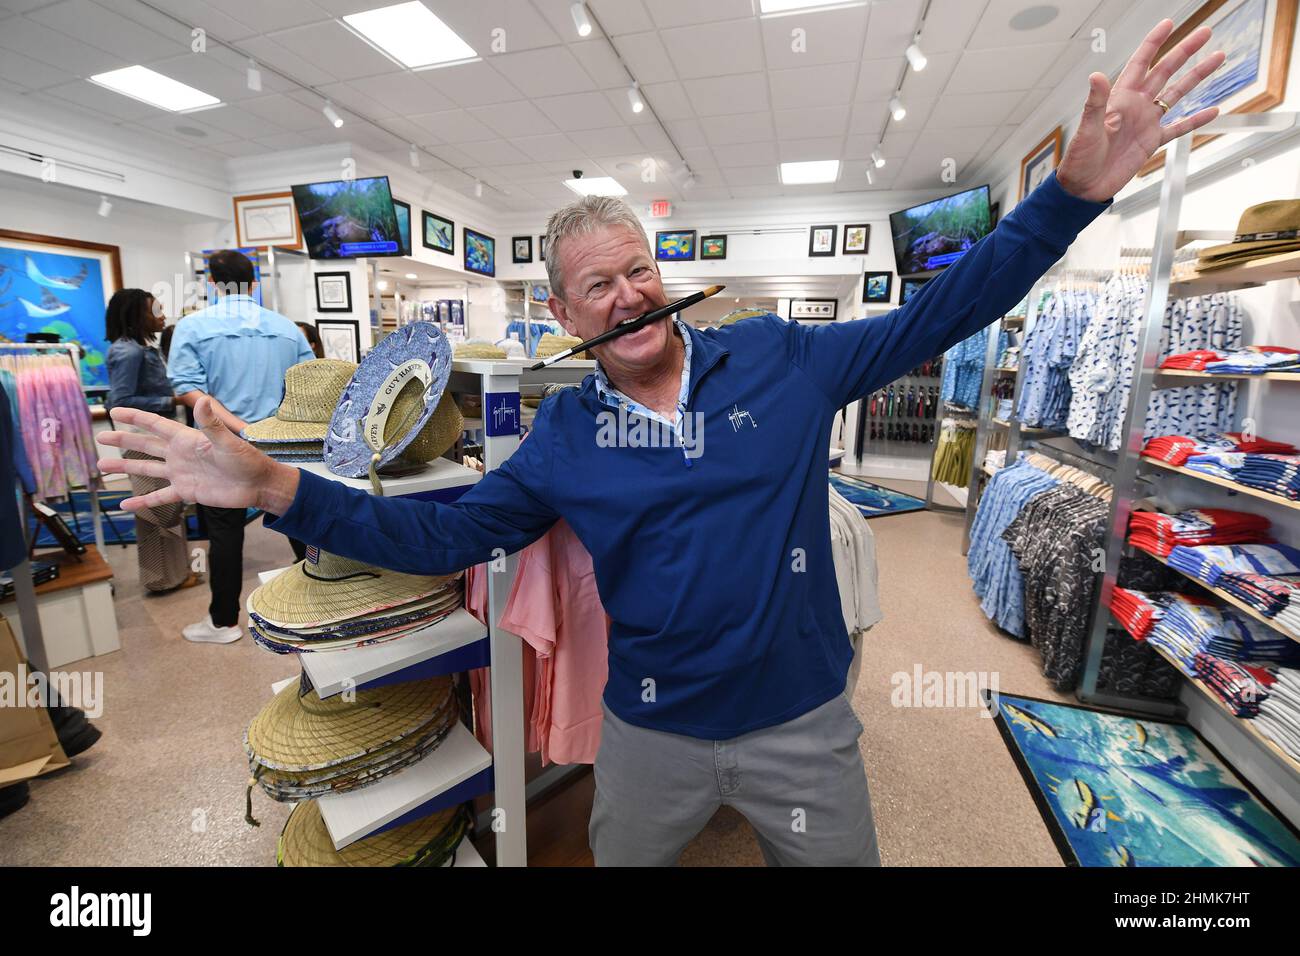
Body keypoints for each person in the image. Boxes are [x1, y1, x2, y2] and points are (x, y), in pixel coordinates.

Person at [100, 23, 1225, 863]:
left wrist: (1070, 197)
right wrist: (274, 485)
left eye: (640, 269)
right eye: (600, 286)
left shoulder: (783, 358)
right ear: (570, 316)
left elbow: (947, 307)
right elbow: (434, 528)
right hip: (647, 735)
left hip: (802, 726)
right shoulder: (560, 442)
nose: (630, 295)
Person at [164, 251, 315, 644]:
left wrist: (241, 428)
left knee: (225, 532)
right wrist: (267, 428)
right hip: (283, 444)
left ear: (212, 283)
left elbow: (187, 389)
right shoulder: (286, 328)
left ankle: (224, 622)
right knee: (300, 521)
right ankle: (324, 604)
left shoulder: (193, 327)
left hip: (221, 444)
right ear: (254, 283)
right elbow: (308, 386)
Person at [104, 289, 198, 594]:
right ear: (136, 315)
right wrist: (173, 400)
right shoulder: (129, 351)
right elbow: (121, 400)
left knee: (166, 507)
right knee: (156, 511)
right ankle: (163, 578)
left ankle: (173, 573)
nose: (161, 316)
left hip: (155, 440)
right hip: (145, 441)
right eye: (154, 311)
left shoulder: (139, 349)